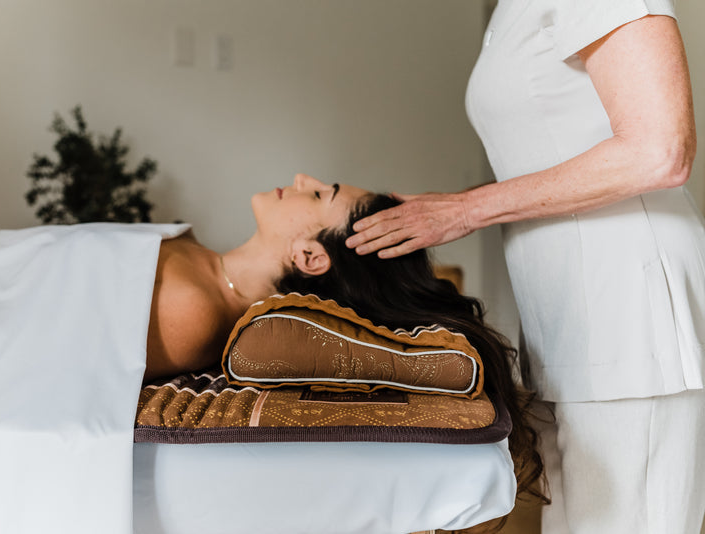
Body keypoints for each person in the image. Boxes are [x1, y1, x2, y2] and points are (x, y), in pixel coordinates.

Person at [345, 3, 705, 534]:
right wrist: (452, 205)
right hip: (565, 317)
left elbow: (660, 151)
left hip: (629, 311)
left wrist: (466, 211)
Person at [146, 173, 546, 526]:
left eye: (322, 195)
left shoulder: (189, 312)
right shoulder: (194, 253)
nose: (303, 179)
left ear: (310, 256)